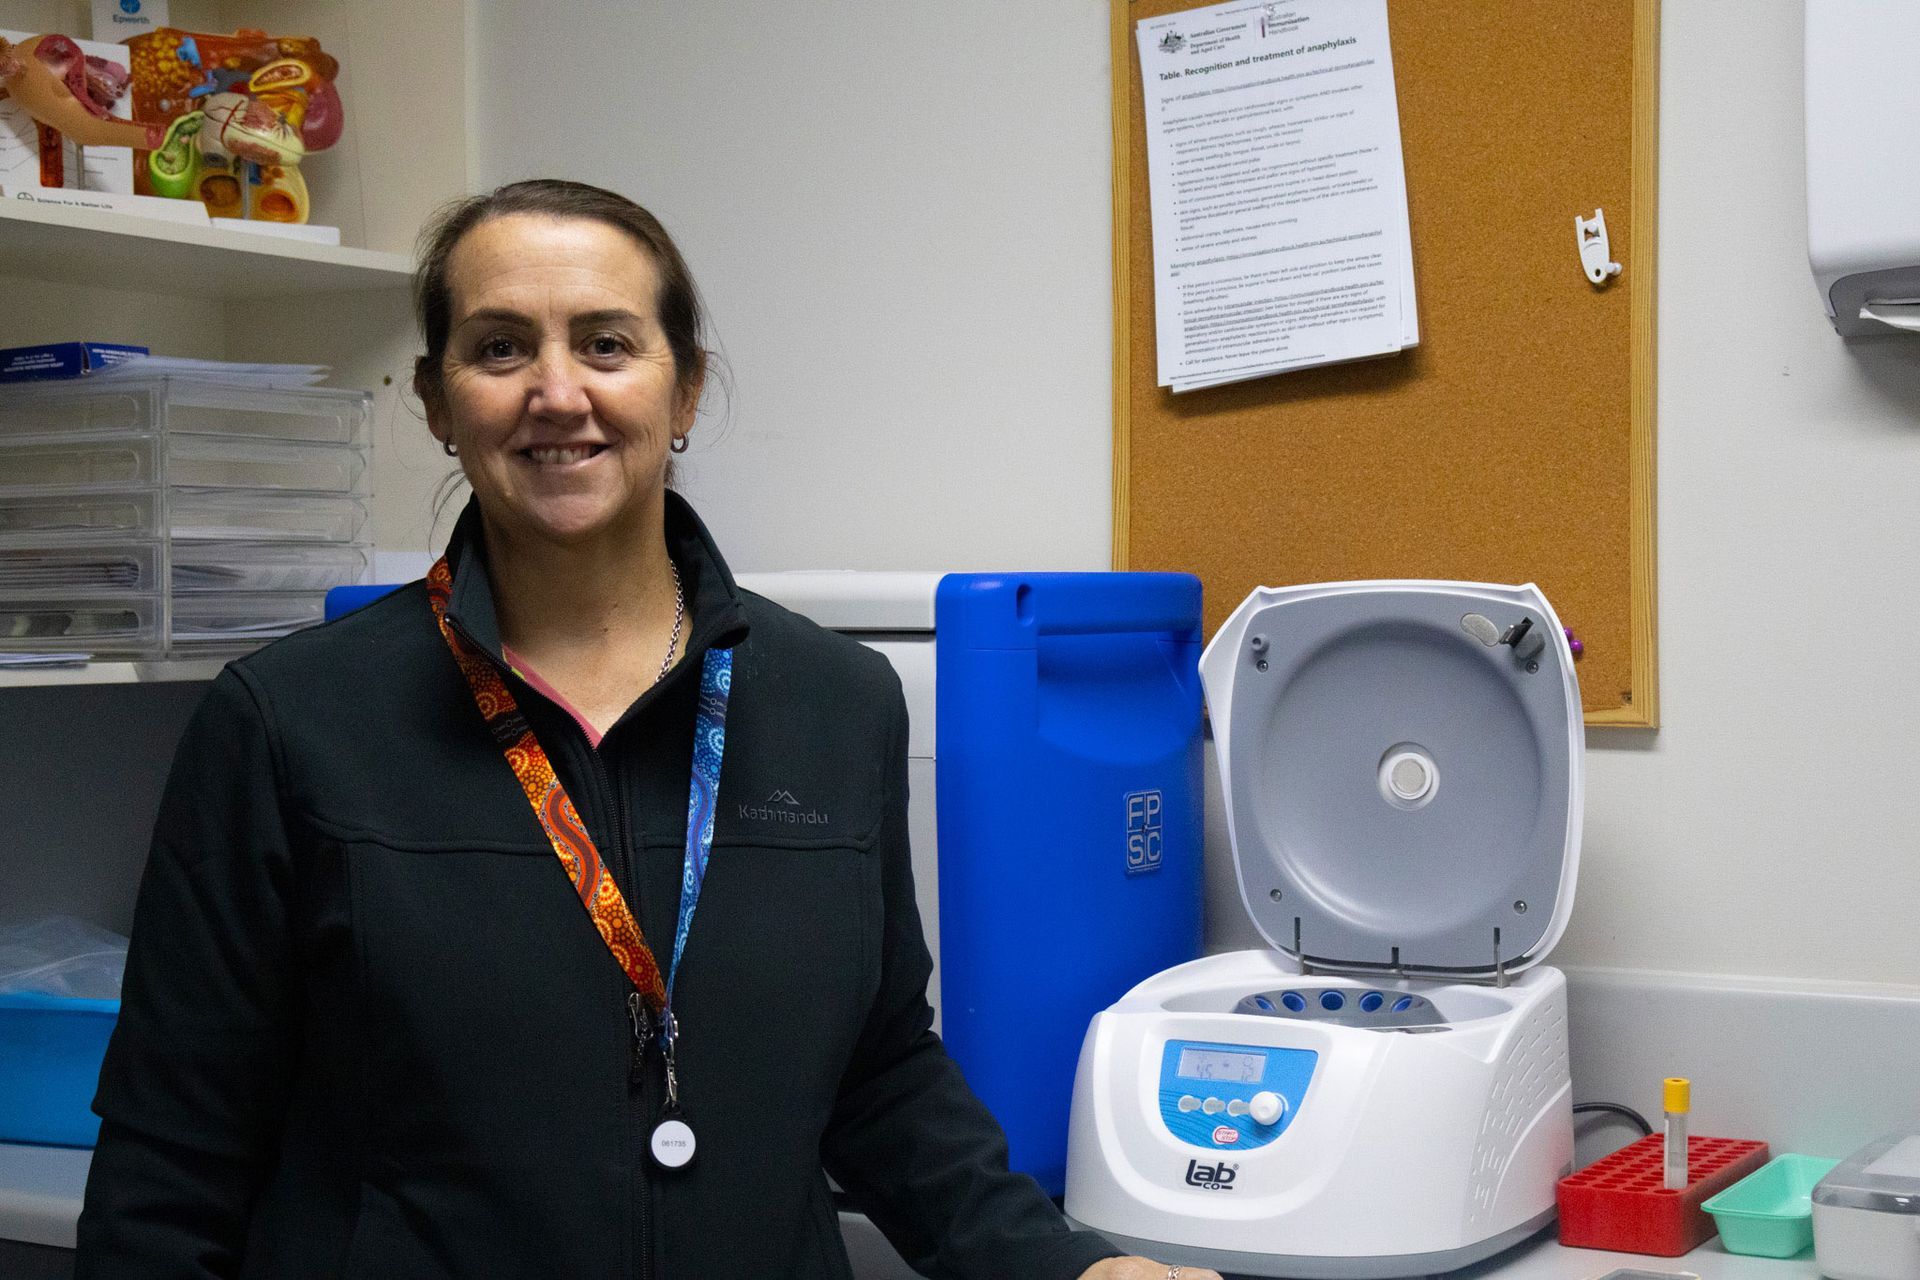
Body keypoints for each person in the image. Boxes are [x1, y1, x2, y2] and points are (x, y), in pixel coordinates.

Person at [74, 179, 1220, 1280]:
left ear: (683, 392)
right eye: (501, 346)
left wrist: (1069, 1264)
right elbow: (172, 1158)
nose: (557, 390)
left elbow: (877, 1074)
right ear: (435, 398)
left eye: (607, 344)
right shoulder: (290, 722)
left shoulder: (837, 701)